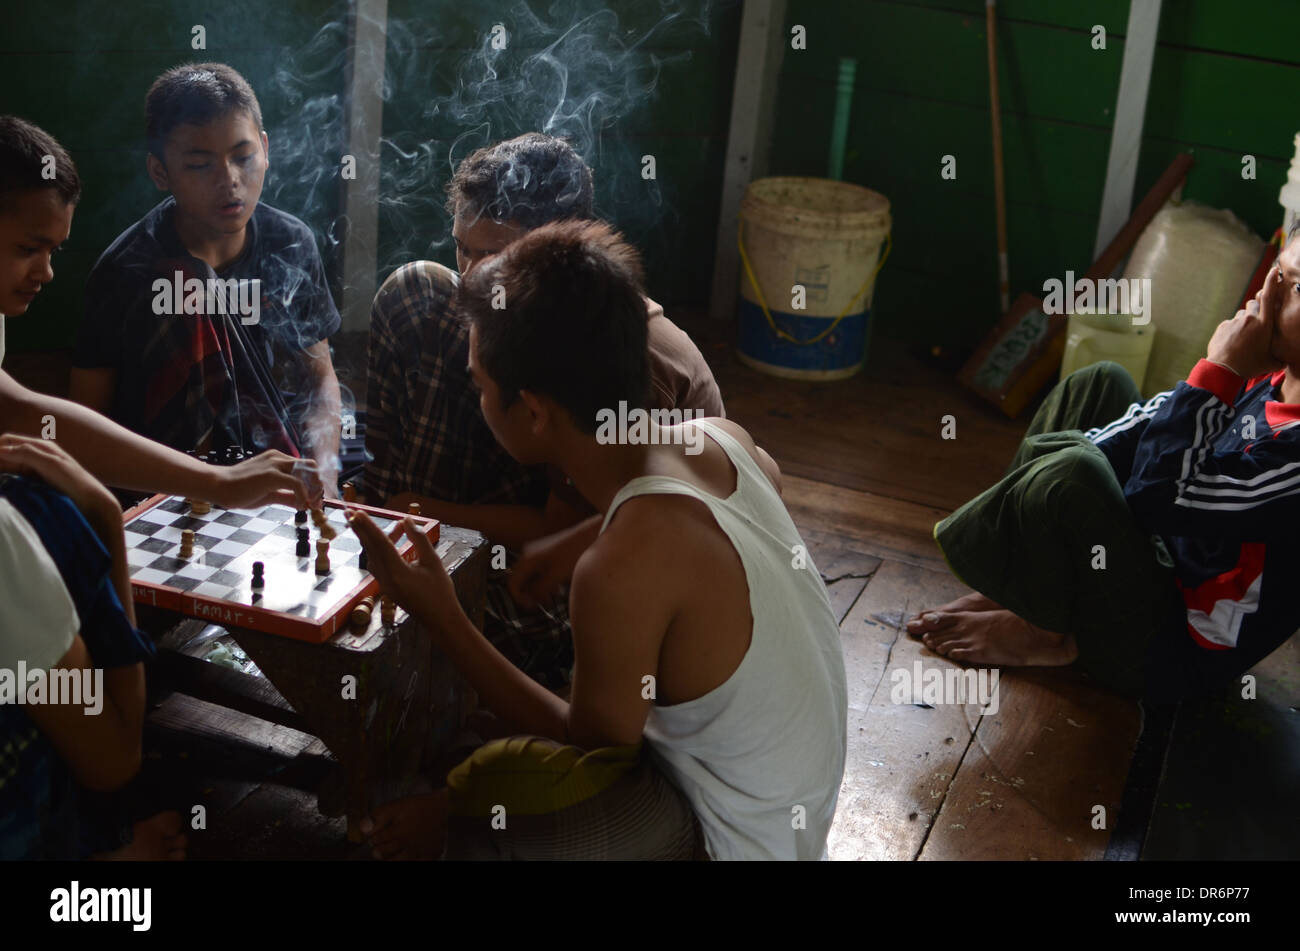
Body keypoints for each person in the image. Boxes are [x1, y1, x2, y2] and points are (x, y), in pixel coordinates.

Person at [350, 220, 847, 860]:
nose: (474, 394)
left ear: (532, 412)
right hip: (792, 810)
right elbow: (747, 497)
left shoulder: (618, 569)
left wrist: (444, 615)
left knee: (492, 784)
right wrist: (580, 536)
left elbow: (591, 745)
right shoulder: (722, 437)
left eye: (478, 385)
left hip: (735, 842)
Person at [363, 132, 725, 690]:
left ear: (555, 252)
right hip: (504, 511)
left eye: (492, 255)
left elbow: (565, 534)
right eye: (462, 246)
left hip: (583, 575)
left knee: (419, 634)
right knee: (418, 289)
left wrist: (422, 512)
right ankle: (394, 542)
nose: (470, 271)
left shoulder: (624, 358)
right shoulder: (524, 313)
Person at [909, 227, 1300, 702]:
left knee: (1073, 473)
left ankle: (1044, 629)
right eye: (1276, 273)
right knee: (1098, 385)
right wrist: (1218, 377)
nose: (1267, 296)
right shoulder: (1266, 380)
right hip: (1153, 562)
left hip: (1172, 650)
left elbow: (1158, 497)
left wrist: (1219, 372)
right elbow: (1136, 436)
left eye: (1295, 286)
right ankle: (1028, 588)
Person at [67, 63, 343, 494]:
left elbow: (319, 378)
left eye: (244, 157)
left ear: (266, 150)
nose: (229, 180)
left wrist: (324, 470)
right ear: (161, 172)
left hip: (272, 472)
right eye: (199, 164)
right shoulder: (128, 270)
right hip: (161, 485)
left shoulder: (290, 242)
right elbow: (87, 419)